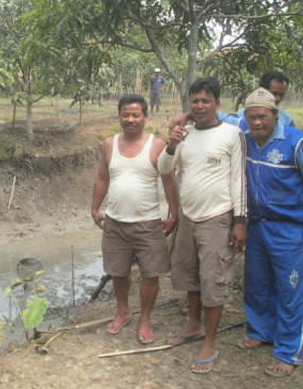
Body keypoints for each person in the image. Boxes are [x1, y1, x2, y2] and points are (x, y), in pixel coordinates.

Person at [239, 88, 303, 377]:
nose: (257, 123)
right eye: (252, 117)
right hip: (258, 225)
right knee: (257, 283)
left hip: (290, 228)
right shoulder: (245, 138)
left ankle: (288, 350)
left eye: (263, 117)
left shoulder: (296, 141)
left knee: (291, 288)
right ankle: (261, 331)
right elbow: (217, 114)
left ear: (275, 115)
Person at [158, 77, 247, 374]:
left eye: (205, 100)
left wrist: (239, 221)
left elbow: (239, 180)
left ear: (217, 103)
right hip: (188, 217)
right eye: (194, 101)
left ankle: (210, 342)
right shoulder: (185, 135)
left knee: (214, 280)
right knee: (190, 275)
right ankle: (193, 326)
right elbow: (165, 169)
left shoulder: (232, 134)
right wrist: (172, 143)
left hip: (217, 217)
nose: (199, 106)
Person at [91, 94, 179, 343]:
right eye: (125, 115)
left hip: (148, 223)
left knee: (151, 274)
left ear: (145, 117)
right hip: (115, 222)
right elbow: (102, 178)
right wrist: (95, 208)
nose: (130, 119)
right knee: (118, 272)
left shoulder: (158, 145)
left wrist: (174, 216)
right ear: (119, 116)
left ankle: (145, 319)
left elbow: (169, 182)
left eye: (135, 115)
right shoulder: (109, 144)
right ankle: (123, 312)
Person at [219, 71, 295, 128]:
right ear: (261, 90)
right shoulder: (240, 117)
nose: (277, 98)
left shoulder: (287, 121)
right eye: (274, 94)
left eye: (281, 95)